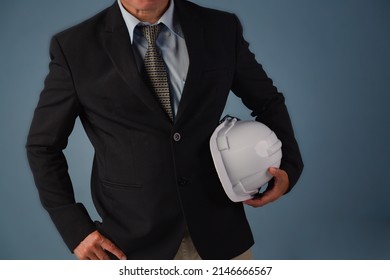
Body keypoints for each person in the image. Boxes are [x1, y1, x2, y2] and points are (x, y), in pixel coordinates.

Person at [26, 0, 303, 260]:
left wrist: (288, 167)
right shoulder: (74, 47)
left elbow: (268, 102)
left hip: (222, 236)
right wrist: (74, 228)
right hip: (128, 245)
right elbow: (43, 146)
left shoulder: (221, 28)